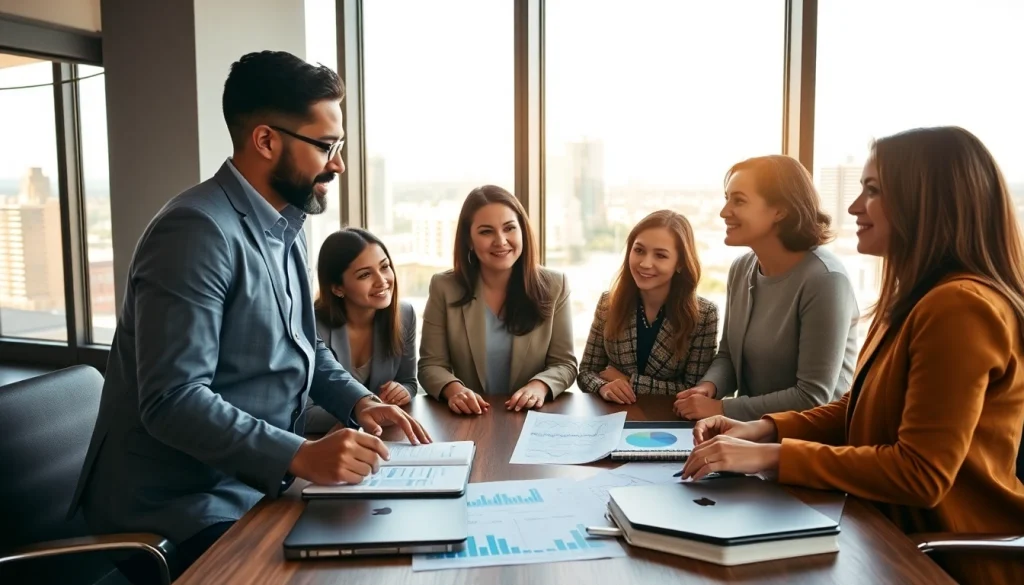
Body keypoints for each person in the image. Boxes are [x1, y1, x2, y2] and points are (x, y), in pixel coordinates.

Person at [68, 51, 430, 580]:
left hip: (254, 482)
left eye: (340, 145)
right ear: (266, 141)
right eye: (326, 145)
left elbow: (305, 349)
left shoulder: (286, 226)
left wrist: (361, 401)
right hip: (181, 507)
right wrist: (299, 455)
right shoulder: (196, 232)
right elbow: (173, 400)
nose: (339, 163)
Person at [682, 127, 1024, 585]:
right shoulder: (913, 300)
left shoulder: (959, 306)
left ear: (925, 199)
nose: (853, 207)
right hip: (880, 529)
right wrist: (762, 429)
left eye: (873, 190)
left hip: (937, 559)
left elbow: (919, 474)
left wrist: (768, 456)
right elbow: (861, 408)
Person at [675, 155, 859, 421]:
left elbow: (812, 397)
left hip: (809, 443)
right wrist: (709, 389)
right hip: (748, 435)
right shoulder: (741, 269)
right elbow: (728, 355)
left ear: (780, 210)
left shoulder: (826, 280)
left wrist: (721, 409)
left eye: (738, 200)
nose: (724, 211)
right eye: (727, 198)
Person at [418, 185, 578, 414]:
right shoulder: (444, 287)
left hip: (531, 417)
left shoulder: (555, 285)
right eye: (486, 231)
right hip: (469, 418)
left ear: (522, 231)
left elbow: (565, 364)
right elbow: (430, 365)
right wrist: (454, 390)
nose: (501, 241)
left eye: (509, 228)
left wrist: (540, 386)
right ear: (469, 240)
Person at [578, 210, 718, 403]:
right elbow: (586, 372)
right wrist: (603, 386)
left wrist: (630, 382)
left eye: (660, 255)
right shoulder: (608, 303)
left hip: (669, 421)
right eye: (639, 250)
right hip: (612, 415)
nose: (645, 263)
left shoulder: (703, 315)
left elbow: (693, 390)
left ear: (680, 264)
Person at [304, 227, 418, 433]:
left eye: (384, 267)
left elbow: (409, 382)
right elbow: (305, 412)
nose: (382, 280)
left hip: (383, 437)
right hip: (324, 442)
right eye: (365, 274)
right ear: (337, 288)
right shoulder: (310, 325)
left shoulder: (405, 314)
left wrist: (402, 391)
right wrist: (364, 413)